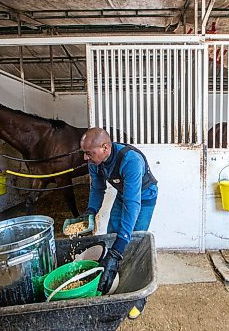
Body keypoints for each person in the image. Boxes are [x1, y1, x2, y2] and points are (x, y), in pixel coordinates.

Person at [70, 127, 158, 318]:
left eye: (89, 153)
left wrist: (119, 248)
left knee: (133, 240)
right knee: (111, 235)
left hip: (143, 198)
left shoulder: (131, 160)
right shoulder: (95, 161)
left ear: (105, 147)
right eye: (84, 153)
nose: (85, 158)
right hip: (123, 195)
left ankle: (139, 296)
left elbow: (133, 204)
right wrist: (90, 213)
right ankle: (112, 279)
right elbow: (97, 189)